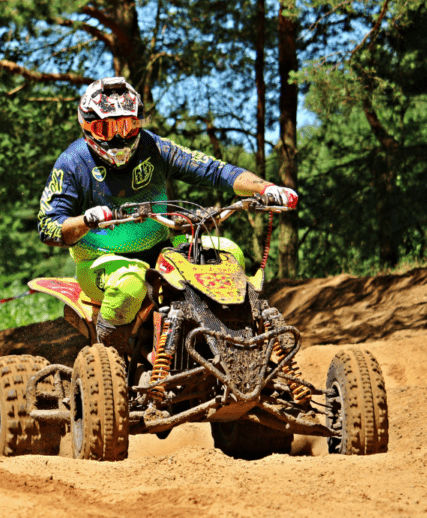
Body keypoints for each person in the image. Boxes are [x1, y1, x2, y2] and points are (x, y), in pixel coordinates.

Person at [37, 77, 298, 357]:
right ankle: (115, 360)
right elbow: (48, 226)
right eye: (106, 128)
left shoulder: (154, 148)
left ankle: (233, 346)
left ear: (138, 123)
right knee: (130, 284)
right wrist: (86, 221)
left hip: (163, 250)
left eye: (127, 125)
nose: (118, 137)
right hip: (99, 261)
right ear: (88, 126)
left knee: (230, 253)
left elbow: (213, 169)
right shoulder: (72, 162)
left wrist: (266, 188)